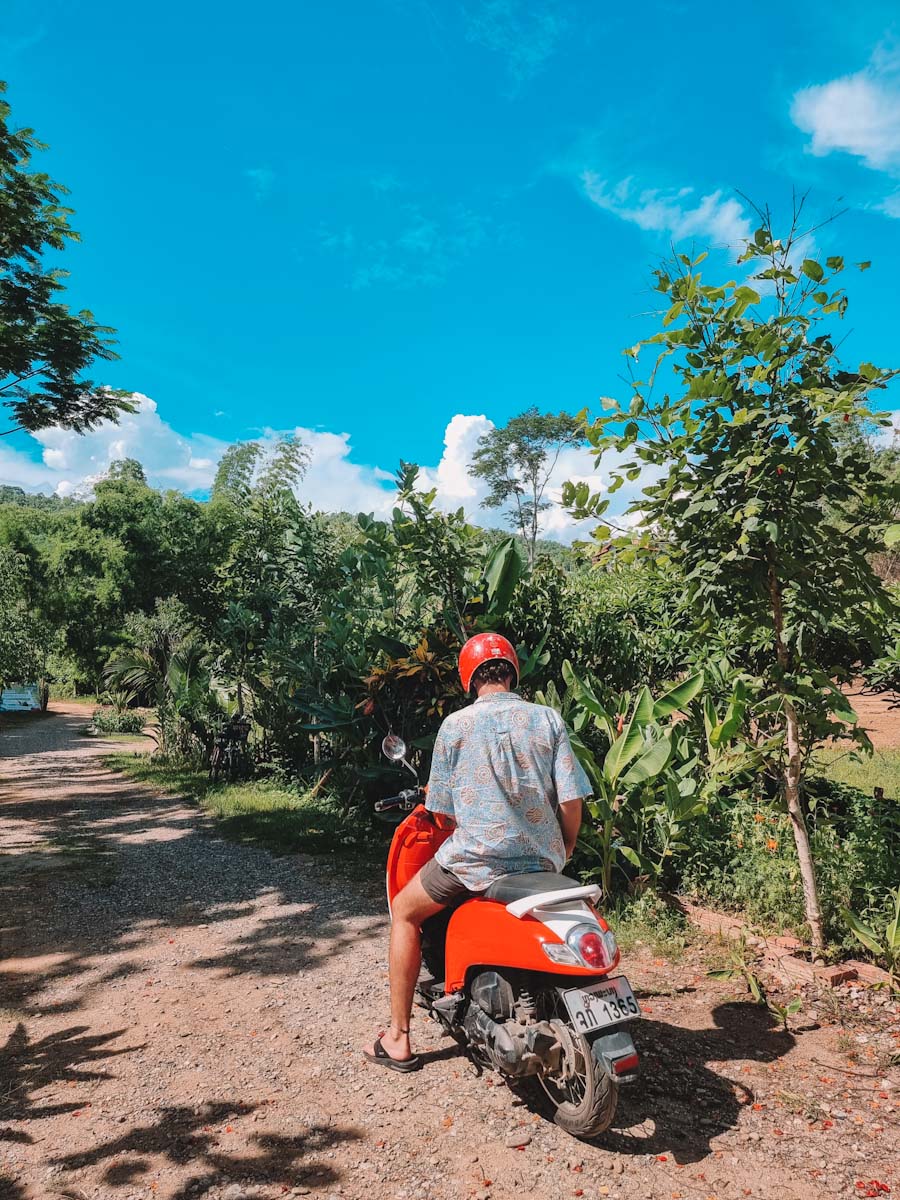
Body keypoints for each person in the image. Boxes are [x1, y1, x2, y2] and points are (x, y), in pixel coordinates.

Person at [364, 632, 591, 1072]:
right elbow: (571, 802)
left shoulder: (456, 726)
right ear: (512, 671)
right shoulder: (547, 719)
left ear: (470, 679)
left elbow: (443, 816)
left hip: (476, 863)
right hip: (542, 864)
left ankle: (398, 1037)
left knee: (405, 911)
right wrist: (561, 850)